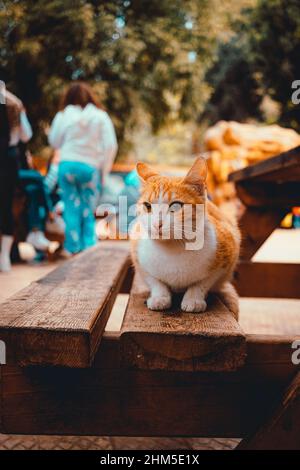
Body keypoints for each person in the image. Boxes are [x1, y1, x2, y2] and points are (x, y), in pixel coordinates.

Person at [48, 82, 118, 256]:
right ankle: (89, 247)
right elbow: (110, 145)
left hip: (68, 165)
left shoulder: (63, 115)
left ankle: (72, 248)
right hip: (90, 167)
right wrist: (104, 170)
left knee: (71, 207)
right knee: (88, 208)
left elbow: (54, 141)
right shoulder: (101, 116)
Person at [0, 90, 32, 272]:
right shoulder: (13, 102)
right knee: (6, 206)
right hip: (7, 159)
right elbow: (26, 135)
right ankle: (4, 257)